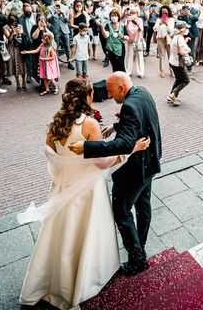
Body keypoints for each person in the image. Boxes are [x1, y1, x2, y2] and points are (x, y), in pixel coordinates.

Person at [19, 78, 149, 308]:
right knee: (87, 233)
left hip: (63, 187)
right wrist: (131, 150)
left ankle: (51, 280)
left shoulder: (55, 122)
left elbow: (51, 154)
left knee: (61, 235)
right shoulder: (88, 124)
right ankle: (85, 279)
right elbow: (102, 163)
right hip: (87, 191)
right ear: (87, 97)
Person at [69, 72, 161, 276]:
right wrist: (116, 126)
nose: (110, 96)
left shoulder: (128, 106)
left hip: (134, 170)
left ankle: (137, 259)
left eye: (111, 92)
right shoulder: (143, 93)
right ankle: (141, 246)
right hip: (151, 164)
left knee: (121, 211)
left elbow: (126, 144)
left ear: (121, 88)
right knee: (143, 206)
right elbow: (143, 119)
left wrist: (87, 146)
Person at [167, 21, 191, 105]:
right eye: (185, 27)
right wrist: (188, 50)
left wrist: (185, 41)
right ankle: (173, 95)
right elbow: (181, 52)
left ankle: (171, 96)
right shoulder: (179, 38)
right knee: (186, 80)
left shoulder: (176, 36)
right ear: (182, 30)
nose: (187, 29)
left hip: (172, 62)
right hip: (177, 63)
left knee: (178, 80)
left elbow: (178, 46)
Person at [47, 0, 73, 70]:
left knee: (67, 47)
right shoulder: (50, 8)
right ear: (53, 1)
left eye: (58, 0)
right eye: (55, 0)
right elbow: (48, 19)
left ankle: (69, 62)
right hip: (56, 30)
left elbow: (68, 20)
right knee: (56, 48)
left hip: (64, 30)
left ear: (60, 0)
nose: (57, 1)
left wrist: (63, 14)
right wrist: (54, 13)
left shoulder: (65, 8)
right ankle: (56, 64)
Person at [4, 15, 28, 91]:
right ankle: (17, 82)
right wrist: (12, 32)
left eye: (14, 19)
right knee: (14, 65)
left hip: (20, 47)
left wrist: (19, 33)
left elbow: (22, 37)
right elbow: (9, 40)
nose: (13, 20)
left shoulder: (19, 26)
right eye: (11, 19)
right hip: (12, 48)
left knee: (22, 65)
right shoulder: (5, 28)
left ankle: (23, 81)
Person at [98, 9, 127, 73]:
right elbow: (106, 35)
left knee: (121, 67)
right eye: (112, 15)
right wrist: (101, 27)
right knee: (114, 67)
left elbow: (127, 37)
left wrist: (123, 36)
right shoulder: (108, 25)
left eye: (116, 15)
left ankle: (124, 81)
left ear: (118, 17)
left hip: (120, 48)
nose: (114, 17)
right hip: (111, 49)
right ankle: (116, 81)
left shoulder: (122, 25)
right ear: (110, 17)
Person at [153, 6, 175, 78]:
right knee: (161, 55)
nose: (164, 14)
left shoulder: (172, 19)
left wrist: (166, 24)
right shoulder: (158, 19)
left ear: (168, 12)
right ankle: (161, 71)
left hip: (168, 39)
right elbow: (155, 29)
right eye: (163, 12)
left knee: (170, 55)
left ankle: (172, 71)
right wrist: (160, 23)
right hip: (160, 38)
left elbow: (171, 30)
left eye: (166, 12)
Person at [124, 6, 145, 78]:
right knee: (129, 55)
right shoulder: (127, 20)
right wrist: (128, 22)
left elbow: (141, 29)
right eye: (132, 13)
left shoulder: (140, 20)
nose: (133, 14)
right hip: (129, 40)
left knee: (139, 56)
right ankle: (128, 71)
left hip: (138, 40)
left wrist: (137, 23)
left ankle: (141, 72)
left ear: (137, 13)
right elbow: (125, 29)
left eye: (134, 12)